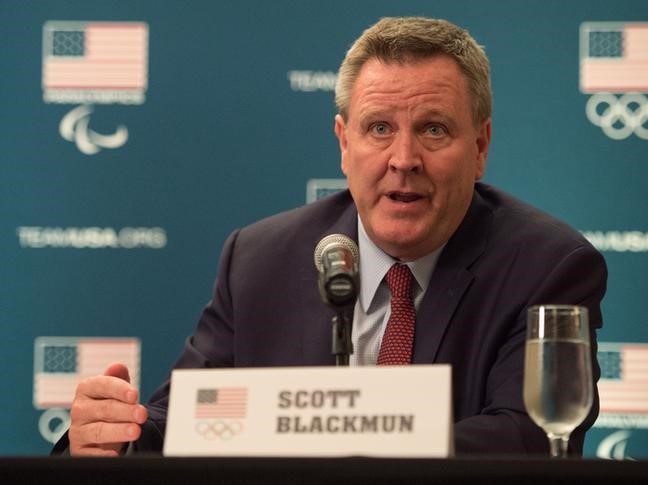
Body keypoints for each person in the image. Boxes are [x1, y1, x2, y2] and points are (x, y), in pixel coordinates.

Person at [55, 16, 607, 457]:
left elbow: (533, 439)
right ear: (344, 143)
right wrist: (115, 434)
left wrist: (345, 438)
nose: (404, 159)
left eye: (433, 129)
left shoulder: (547, 267)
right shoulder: (259, 259)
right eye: (379, 128)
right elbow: (189, 419)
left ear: (481, 146)